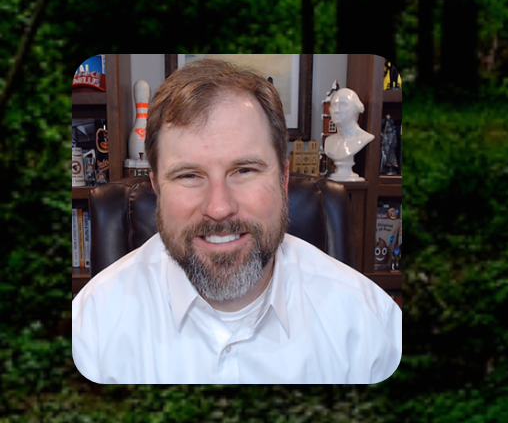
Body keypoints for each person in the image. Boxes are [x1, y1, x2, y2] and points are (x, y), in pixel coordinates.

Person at [73, 58, 401, 383]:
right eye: (189, 175)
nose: (219, 208)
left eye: (244, 170)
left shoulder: (369, 325)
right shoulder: (92, 327)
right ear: (156, 186)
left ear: (284, 179)